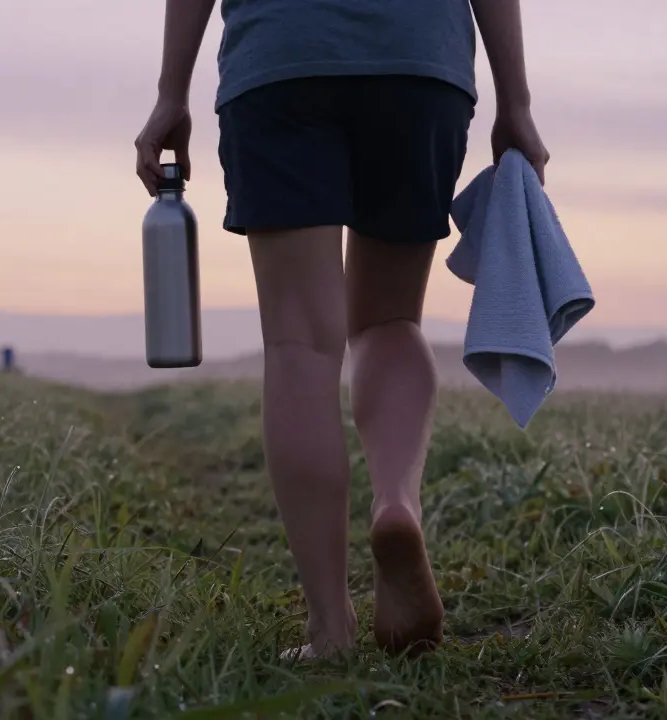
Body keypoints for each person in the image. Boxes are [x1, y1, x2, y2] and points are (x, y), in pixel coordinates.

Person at [134, 0, 550, 657]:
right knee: (390, 320)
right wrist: (515, 103)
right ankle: (396, 504)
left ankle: (330, 627)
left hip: (280, 58)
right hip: (417, 61)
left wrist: (170, 94)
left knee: (299, 344)